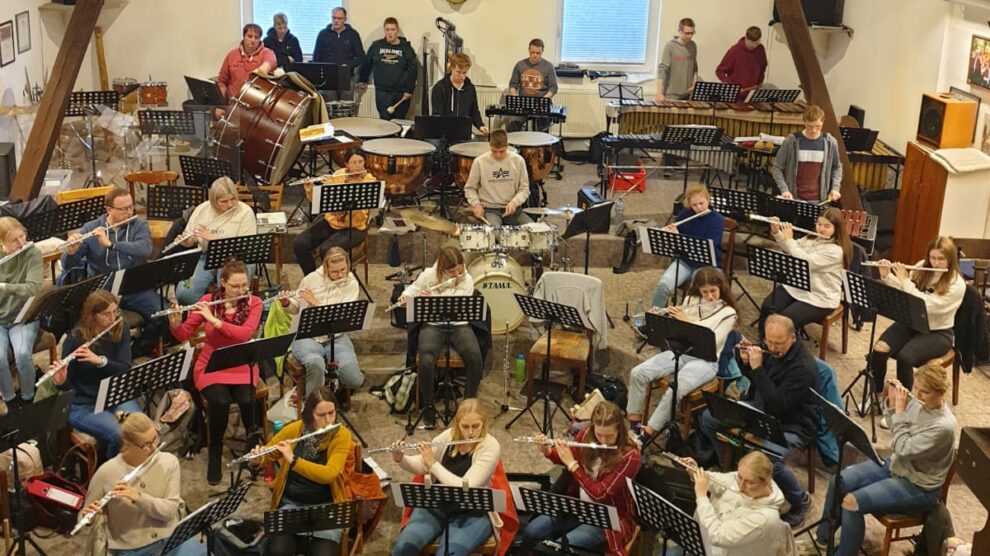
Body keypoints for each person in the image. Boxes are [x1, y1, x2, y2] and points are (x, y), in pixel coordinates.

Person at [799, 365, 957, 556]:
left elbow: (902, 447)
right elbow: (897, 430)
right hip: (898, 466)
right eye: (916, 388)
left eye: (924, 392)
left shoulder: (943, 426)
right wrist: (891, 405)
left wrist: (899, 412)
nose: (918, 394)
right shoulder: (920, 403)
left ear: (941, 393)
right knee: (838, 481)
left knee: (852, 503)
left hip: (918, 486)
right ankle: (823, 541)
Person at [700, 314, 818, 527]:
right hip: (761, 409)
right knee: (708, 418)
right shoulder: (772, 349)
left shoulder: (803, 368)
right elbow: (760, 386)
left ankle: (801, 501)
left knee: (769, 459)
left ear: (793, 338)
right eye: (768, 342)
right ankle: (729, 468)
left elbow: (778, 405)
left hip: (792, 423)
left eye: (778, 343)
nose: (771, 348)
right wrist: (745, 362)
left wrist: (757, 368)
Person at [168, 259, 262, 485]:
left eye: (244, 285)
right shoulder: (208, 301)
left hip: (241, 362)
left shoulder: (254, 303)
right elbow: (183, 334)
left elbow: (244, 335)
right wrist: (174, 324)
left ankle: (253, 446)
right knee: (219, 401)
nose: (241, 291)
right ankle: (215, 452)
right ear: (223, 283)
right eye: (235, 286)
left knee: (247, 399)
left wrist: (214, 321)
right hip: (212, 364)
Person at [628, 267, 737, 440]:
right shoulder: (691, 299)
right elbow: (678, 333)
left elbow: (711, 341)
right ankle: (633, 428)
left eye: (714, 291)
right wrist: (665, 318)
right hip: (681, 352)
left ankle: (646, 436)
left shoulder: (728, 313)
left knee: (675, 389)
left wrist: (686, 321)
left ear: (721, 289)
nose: (710, 297)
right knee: (638, 373)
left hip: (706, 361)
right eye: (705, 292)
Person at [520, 401, 641, 555]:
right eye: (599, 434)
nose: (603, 440)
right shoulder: (585, 435)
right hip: (577, 506)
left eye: (609, 435)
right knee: (531, 532)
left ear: (620, 431)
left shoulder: (630, 456)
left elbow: (599, 494)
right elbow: (569, 456)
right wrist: (549, 451)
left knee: (556, 549)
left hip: (608, 519)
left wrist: (573, 465)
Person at [390, 399, 505, 556]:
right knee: (403, 549)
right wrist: (400, 458)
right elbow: (421, 465)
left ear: (483, 424)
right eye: (465, 426)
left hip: (472, 513)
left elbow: (467, 485)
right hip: (437, 505)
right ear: (457, 423)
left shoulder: (490, 446)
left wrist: (433, 464)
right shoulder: (448, 436)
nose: (470, 432)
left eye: (476, 426)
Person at [77, 412, 202, 556]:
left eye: (155, 438)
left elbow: (169, 512)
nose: (154, 447)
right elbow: (84, 515)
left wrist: (138, 497)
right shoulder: (107, 472)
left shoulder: (169, 462)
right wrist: (87, 518)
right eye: (146, 445)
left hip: (169, 536)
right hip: (131, 548)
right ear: (127, 445)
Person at [248, 387, 354, 556]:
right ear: (310, 413)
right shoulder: (296, 429)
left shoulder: (341, 435)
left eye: (332, 413)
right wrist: (257, 459)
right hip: (292, 504)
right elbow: (268, 454)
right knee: (277, 551)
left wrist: (294, 461)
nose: (328, 421)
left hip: (326, 507)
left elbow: (330, 474)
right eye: (321, 415)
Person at [871, 236, 965, 418]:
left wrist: (905, 280)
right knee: (880, 348)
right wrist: (887, 276)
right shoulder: (923, 265)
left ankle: (903, 408)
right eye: (933, 258)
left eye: (941, 259)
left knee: (906, 357)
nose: (935, 263)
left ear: (950, 260)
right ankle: (875, 395)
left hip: (938, 333)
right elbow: (905, 292)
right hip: (913, 321)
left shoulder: (956, 285)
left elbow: (926, 305)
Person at [61, 188, 161, 354]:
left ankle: (137, 350)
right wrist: (70, 252)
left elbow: (145, 249)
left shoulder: (139, 225)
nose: (129, 212)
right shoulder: (91, 228)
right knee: (95, 321)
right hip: (103, 290)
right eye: (123, 209)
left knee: (161, 314)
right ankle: (101, 356)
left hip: (134, 287)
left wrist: (112, 244)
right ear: (109, 210)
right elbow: (68, 265)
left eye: (131, 207)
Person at [52, 291, 141, 461]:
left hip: (115, 397)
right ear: (93, 316)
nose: (112, 318)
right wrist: (61, 381)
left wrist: (100, 361)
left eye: (115, 312)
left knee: (139, 428)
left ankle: (133, 471)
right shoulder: (75, 339)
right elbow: (69, 387)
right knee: (119, 434)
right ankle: (109, 475)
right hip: (84, 405)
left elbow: (124, 368)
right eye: (106, 314)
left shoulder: (121, 328)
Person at [399, 247, 481, 429]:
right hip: (433, 325)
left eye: (460, 268)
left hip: (459, 325)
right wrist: (412, 298)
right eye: (452, 271)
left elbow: (460, 306)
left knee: (475, 357)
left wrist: (437, 295)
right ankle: (428, 407)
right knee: (426, 360)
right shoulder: (428, 275)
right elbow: (411, 291)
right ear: (441, 269)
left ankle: (468, 407)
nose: (457, 273)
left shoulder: (466, 279)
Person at [757, 207, 851, 338]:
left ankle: (780, 351)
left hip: (820, 297)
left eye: (826, 226)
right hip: (798, 286)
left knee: (786, 320)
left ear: (837, 229)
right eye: (819, 224)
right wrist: (777, 232)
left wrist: (789, 239)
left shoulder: (835, 251)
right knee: (768, 307)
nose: (821, 229)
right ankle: (764, 343)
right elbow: (790, 250)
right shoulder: (811, 238)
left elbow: (806, 262)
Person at [284, 248, 364, 396]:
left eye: (343, 270)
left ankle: (333, 383)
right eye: (335, 272)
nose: (340, 275)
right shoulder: (311, 279)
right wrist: (286, 303)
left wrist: (315, 303)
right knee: (315, 363)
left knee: (354, 379)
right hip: (307, 335)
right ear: (326, 268)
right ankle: (314, 405)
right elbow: (295, 308)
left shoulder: (351, 282)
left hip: (336, 336)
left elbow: (340, 315)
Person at [681, 451, 792, 556]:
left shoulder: (765, 518)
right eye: (739, 477)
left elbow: (718, 536)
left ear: (765, 483)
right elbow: (718, 482)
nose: (741, 486)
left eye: (749, 482)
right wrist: (696, 472)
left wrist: (701, 497)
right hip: (707, 544)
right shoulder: (744, 476)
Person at [173, 177, 257, 306]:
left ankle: (224, 314)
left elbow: (247, 247)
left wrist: (215, 240)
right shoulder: (202, 209)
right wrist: (187, 241)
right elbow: (192, 239)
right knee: (184, 294)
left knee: (229, 294)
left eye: (233, 199)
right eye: (224, 201)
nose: (230, 204)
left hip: (237, 260)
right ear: (213, 201)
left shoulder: (245, 212)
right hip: (206, 256)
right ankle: (206, 309)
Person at [293, 148, 373, 276]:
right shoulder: (338, 175)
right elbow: (320, 203)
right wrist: (310, 190)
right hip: (332, 223)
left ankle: (332, 282)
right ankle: (312, 278)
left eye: (360, 162)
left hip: (355, 228)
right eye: (353, 163)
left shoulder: (369, 181)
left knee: (328, 250)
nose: (358, 166)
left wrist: (333, 188)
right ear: (346, 164)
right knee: (300, 243)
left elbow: (356, 209)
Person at [649, 183, 725, 308]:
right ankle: (655, 318)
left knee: (696, 293)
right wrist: (672, 235)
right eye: (694, 205)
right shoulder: (685, 214)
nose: (699, 208)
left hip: (708, 264)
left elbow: (708, 245)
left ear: (708, 199)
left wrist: (679, 236)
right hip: (685, 261)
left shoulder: (717, 220)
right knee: (663, 286)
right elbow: (677, 243)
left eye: (701, 203)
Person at [0, 216, 42, 412]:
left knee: (23, 353)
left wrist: (5, 287)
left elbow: (33, 289)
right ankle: (9, 400)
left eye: (22, 236)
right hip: (0, 320)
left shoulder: (32, 254)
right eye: (14, 240)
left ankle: (28, 399)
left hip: (23, 317)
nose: (21, 243)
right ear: (1, 243)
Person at [770, 105, 843, 202]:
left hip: (819, 200)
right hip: (794, 197)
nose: (813, 130)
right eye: (810, 126)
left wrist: (835, 188)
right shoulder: (792, 141)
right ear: (804, 121)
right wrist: (784, 189)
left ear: (823, 121)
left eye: (818, 126)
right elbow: (777, 167)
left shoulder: (830, 142)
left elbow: (837, 167)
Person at [463, 130, 531, 227]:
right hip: (490, 209)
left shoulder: (518, 161)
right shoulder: (479, 162)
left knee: (532, 230)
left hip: (513, 209)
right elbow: (470, 188)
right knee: (496, 233)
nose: (498, 155)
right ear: (489, 146)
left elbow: (524, 189)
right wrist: (476, 204)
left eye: (502, 151)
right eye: (494, 151)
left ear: (507, 146)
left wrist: (514, 202)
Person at [358, 17, 417, 120]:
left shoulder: (406, 48)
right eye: (387, 29)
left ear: (397, 31)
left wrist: (409, 90)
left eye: (393, 29)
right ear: (384, 31)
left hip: (401, 93)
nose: (390, 33)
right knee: (385, 121)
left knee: (399, 121)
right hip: (382, 92)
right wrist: (363, 79)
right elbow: (367, 63)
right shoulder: (376, 46)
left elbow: (413, 70)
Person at [313, 6, 365, 100]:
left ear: (345, 19)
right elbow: (316, 58)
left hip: (347, 77)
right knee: (329, 109)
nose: (336, 21)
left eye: (339, 18)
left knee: (345, 109)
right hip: (327, 79)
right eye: (334, 18)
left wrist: (348, 65)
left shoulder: (353, 35)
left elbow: (361, 57)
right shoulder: (323, 34)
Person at [431, 53, 489, 135]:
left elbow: (474, 111)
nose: (462, 76)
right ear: (451, 68)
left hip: (463, 131)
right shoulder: (440, 88)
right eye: (458, 72)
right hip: (444, 133)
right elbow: (437, 115)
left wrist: (480, 125)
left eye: (464, 73)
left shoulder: (470, 89)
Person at [507, 38, 558, 132]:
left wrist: (545, 99)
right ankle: (515, 146)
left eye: (538, 53)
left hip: (542, 103)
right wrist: (515, 99)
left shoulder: (549, 66)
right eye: (532, 52)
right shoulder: (520, 65)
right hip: (523, 104)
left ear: (542, 51)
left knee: (542, 128)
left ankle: (541, 146)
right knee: (512, 124)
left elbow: (553, 87)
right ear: (529, 50)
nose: (535, 55)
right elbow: (513, 84)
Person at [217, 23, 276, 101]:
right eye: (249, 36)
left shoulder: (267, 53)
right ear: (244, 37)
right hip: (233, 104)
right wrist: (221, 104)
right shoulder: (232, 55)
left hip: (256, 104)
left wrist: (261, 70)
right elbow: (222, 81)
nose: (253, 40)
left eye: (256, 37)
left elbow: (271, 62)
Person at [715, 26, 768, 102]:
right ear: (746, 38)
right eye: (752, 43)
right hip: (736, 96)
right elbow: (719, 71)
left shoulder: (760, 49)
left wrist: (759, 81)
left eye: (757, 43)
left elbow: (763, 67)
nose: (754, 45)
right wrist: (732, 86)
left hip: (752, 96)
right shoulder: (735, 50)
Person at [656, 18, 699, 101]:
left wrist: (695, 85)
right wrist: (659, 93)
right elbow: (662, 69)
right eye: (687, 33)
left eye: (692, 33)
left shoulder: (693, 46)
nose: (690, 36)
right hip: (671, 95)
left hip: (687, 94)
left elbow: (695, 68)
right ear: (680, 31)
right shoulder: (670, 46)